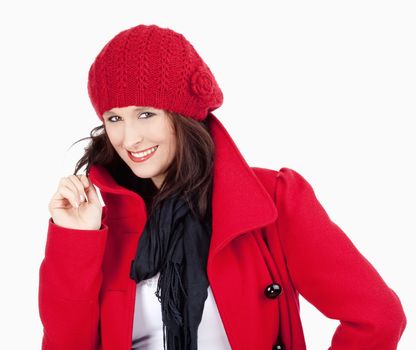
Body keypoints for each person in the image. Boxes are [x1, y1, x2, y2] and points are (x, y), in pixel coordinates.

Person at [38, 24, 407, 350]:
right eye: (114, 118)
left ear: (183, 115)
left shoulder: (272, 200)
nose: (129, 137)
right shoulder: (104, 225)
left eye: (146, 113)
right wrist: (76, 241)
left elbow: (378, 318)